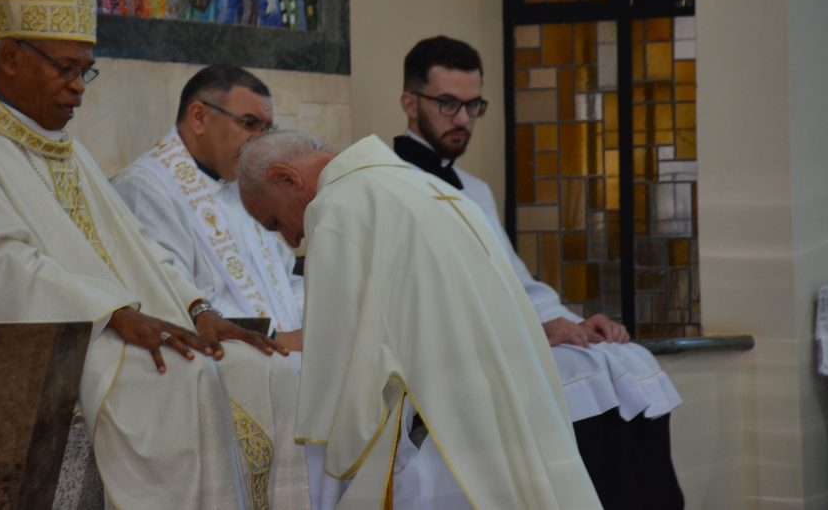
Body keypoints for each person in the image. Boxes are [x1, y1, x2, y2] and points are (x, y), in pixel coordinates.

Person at [0, 0, 308, 510]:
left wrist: (199, 308)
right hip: (42, 350)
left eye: (84, 69)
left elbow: (135, 245)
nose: (78, 87)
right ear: (9, 58)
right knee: (189, 383)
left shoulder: (66, 149)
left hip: (101, 329)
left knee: (265, 373)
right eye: (64, 68)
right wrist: (110, 312)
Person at [237, 130, 602, 509]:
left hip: (442, 432)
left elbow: (339, 351)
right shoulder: (430, 188)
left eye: (275, 221)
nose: (291, 240)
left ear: (286, 177)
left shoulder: (338, 206)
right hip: (509, 407)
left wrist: (262, 350)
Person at [393, 35, 684, 510]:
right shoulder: (386, 186)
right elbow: (423, 295)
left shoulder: (474, 189)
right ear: (410, 102)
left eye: (473, 105)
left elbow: (516, 282)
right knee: (579, 375)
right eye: (448, 104)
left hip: (512, 338)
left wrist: (571, 320)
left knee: (623, 359)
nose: (463, 120)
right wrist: (533, 328)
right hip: (453, 355)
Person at [111, 65, 303, 353]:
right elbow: (170, 300)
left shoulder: (241, 185)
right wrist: (276, 336)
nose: (261, 141)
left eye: (267, 129)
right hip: (221, 359)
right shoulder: (145, 188)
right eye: (249, 123)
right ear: (199, 117)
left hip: (276, 355)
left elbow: (284, 280)